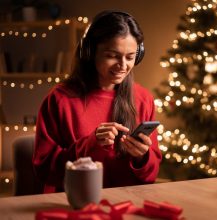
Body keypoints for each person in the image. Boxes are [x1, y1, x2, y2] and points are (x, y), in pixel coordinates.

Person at [32, 10, 162, 193]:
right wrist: (90, 145)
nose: (123, 66)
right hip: (74, 203)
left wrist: (142, 157)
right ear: (89, 52)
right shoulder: (59, 99)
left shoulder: (143, 99)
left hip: (127, 203)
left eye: (130, 57)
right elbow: (44, 171)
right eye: (112, 55)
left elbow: (151, 175)